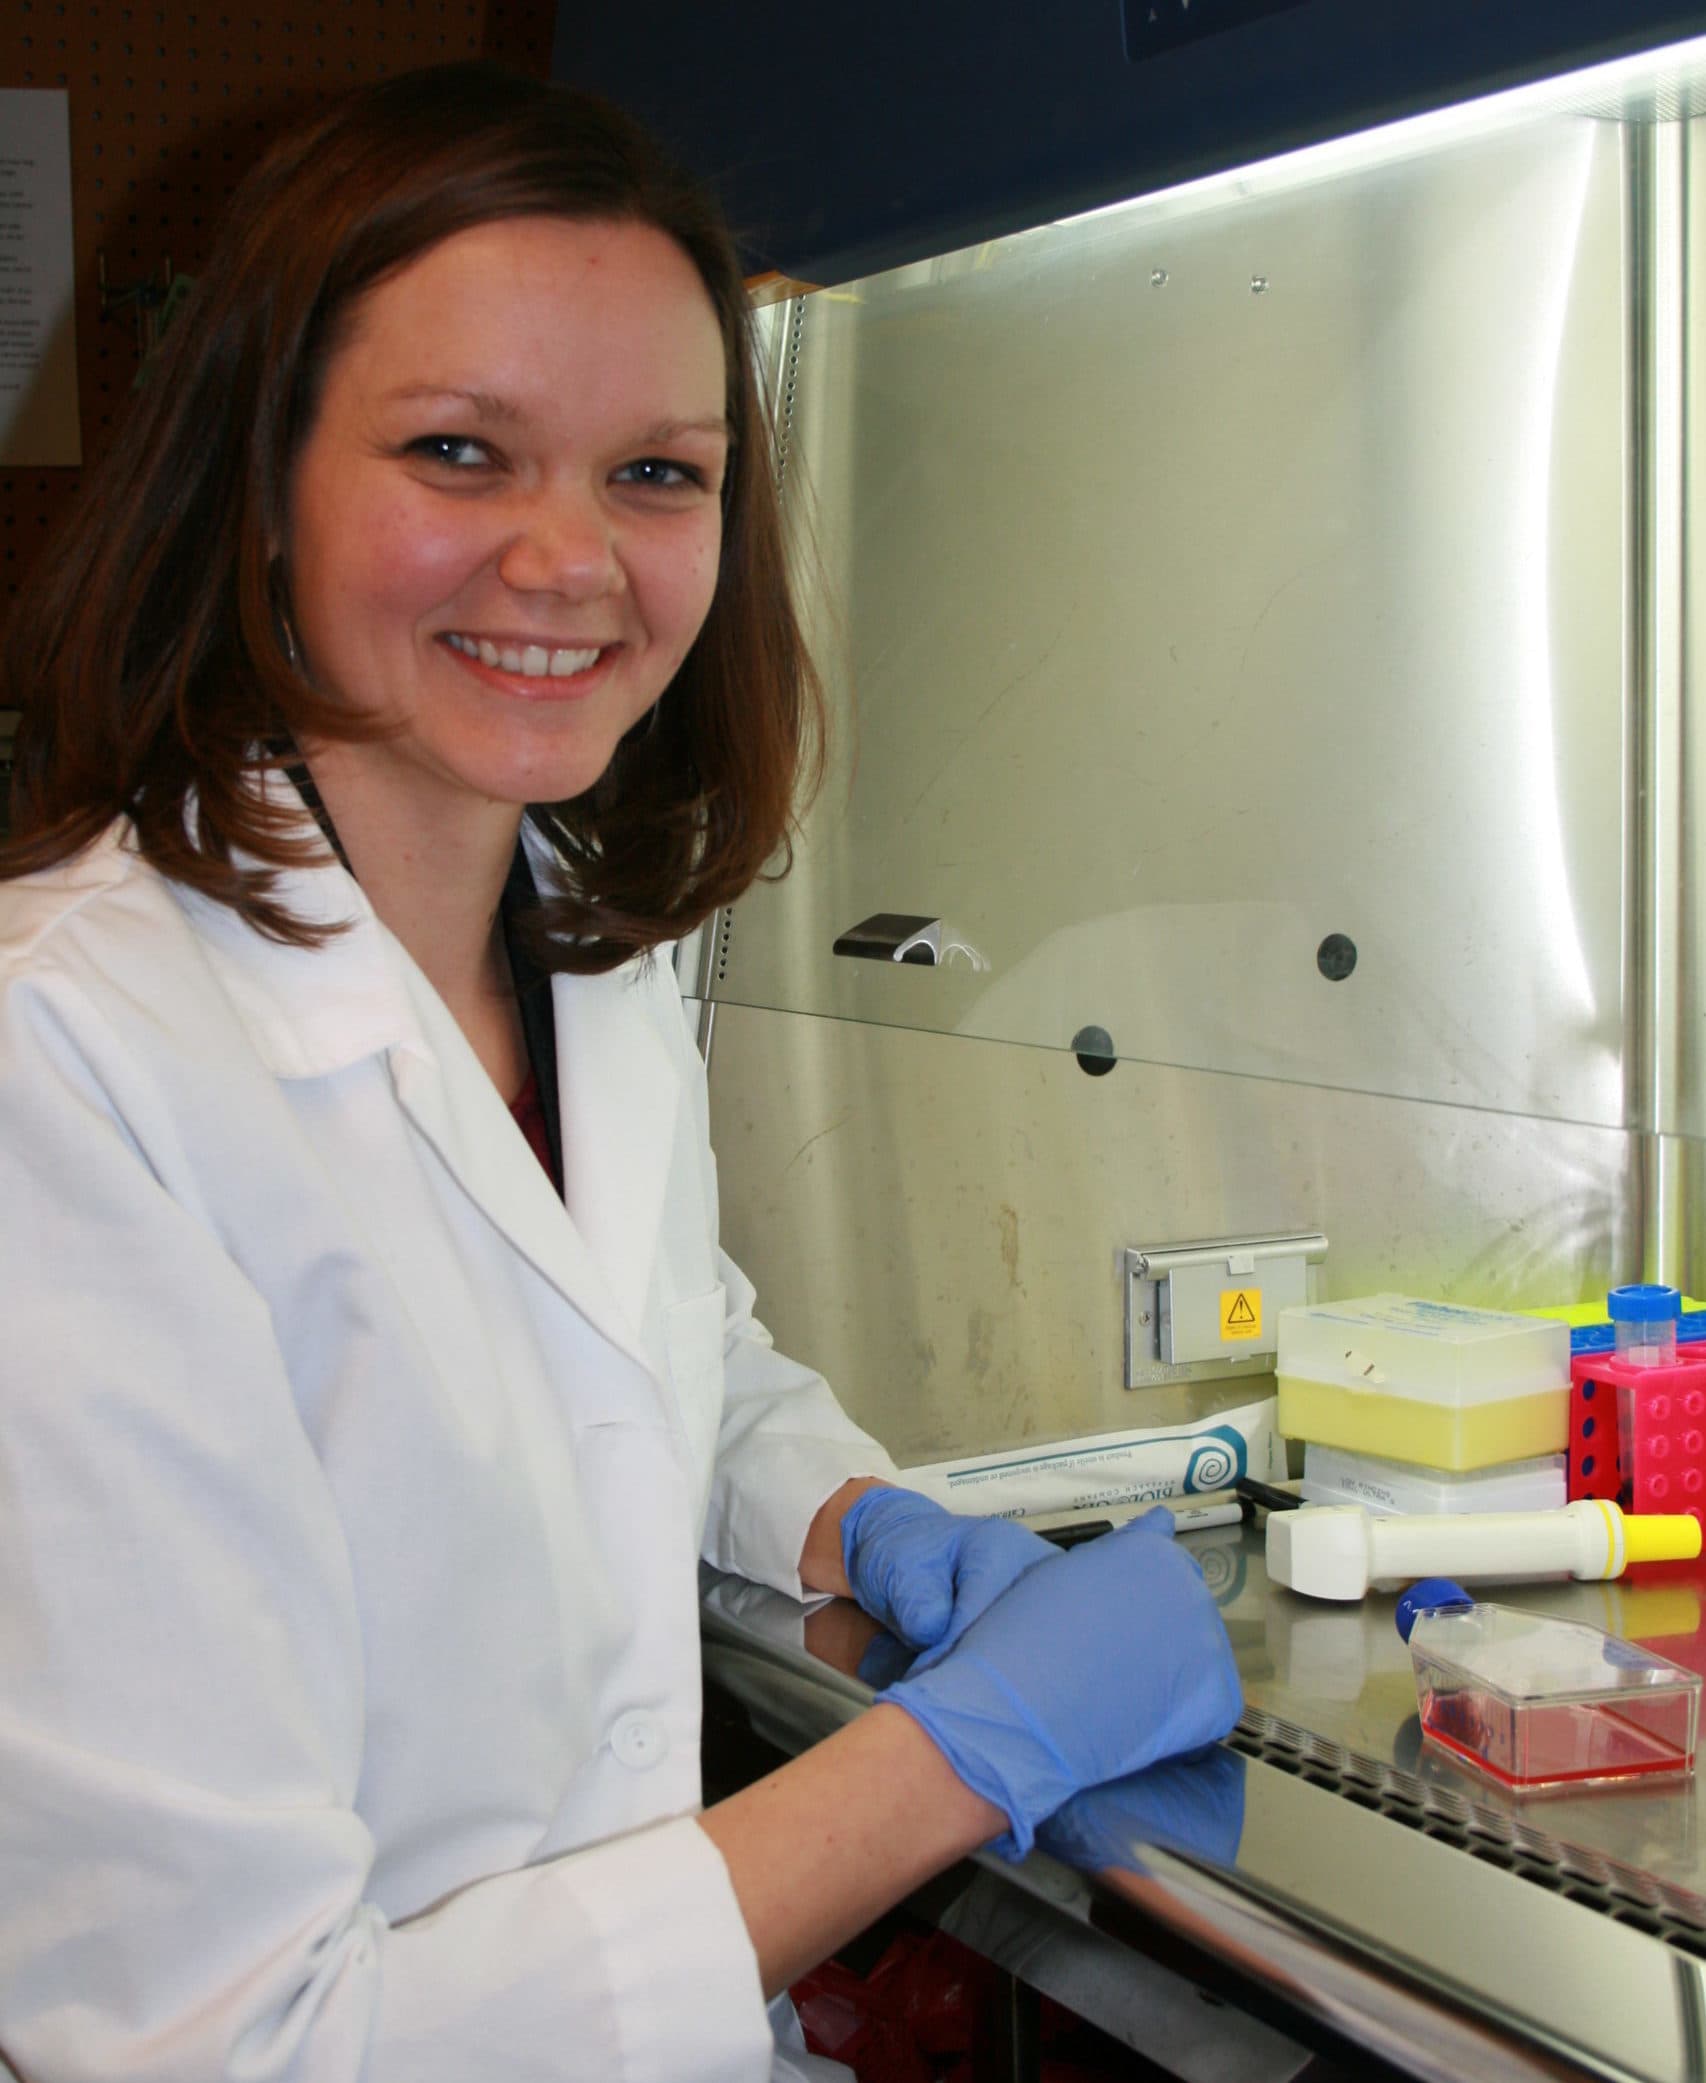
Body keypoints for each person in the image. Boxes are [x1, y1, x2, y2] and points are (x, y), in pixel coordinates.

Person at [0, 64, 1242, 2083]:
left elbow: (644, 1331)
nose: (569, 559)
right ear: (258, 481)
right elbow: (226, 2046)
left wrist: (845, 1512)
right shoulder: (67, 1067)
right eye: (460, 451)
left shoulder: (582, 933)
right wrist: (955, 1757)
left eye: (656, 474)